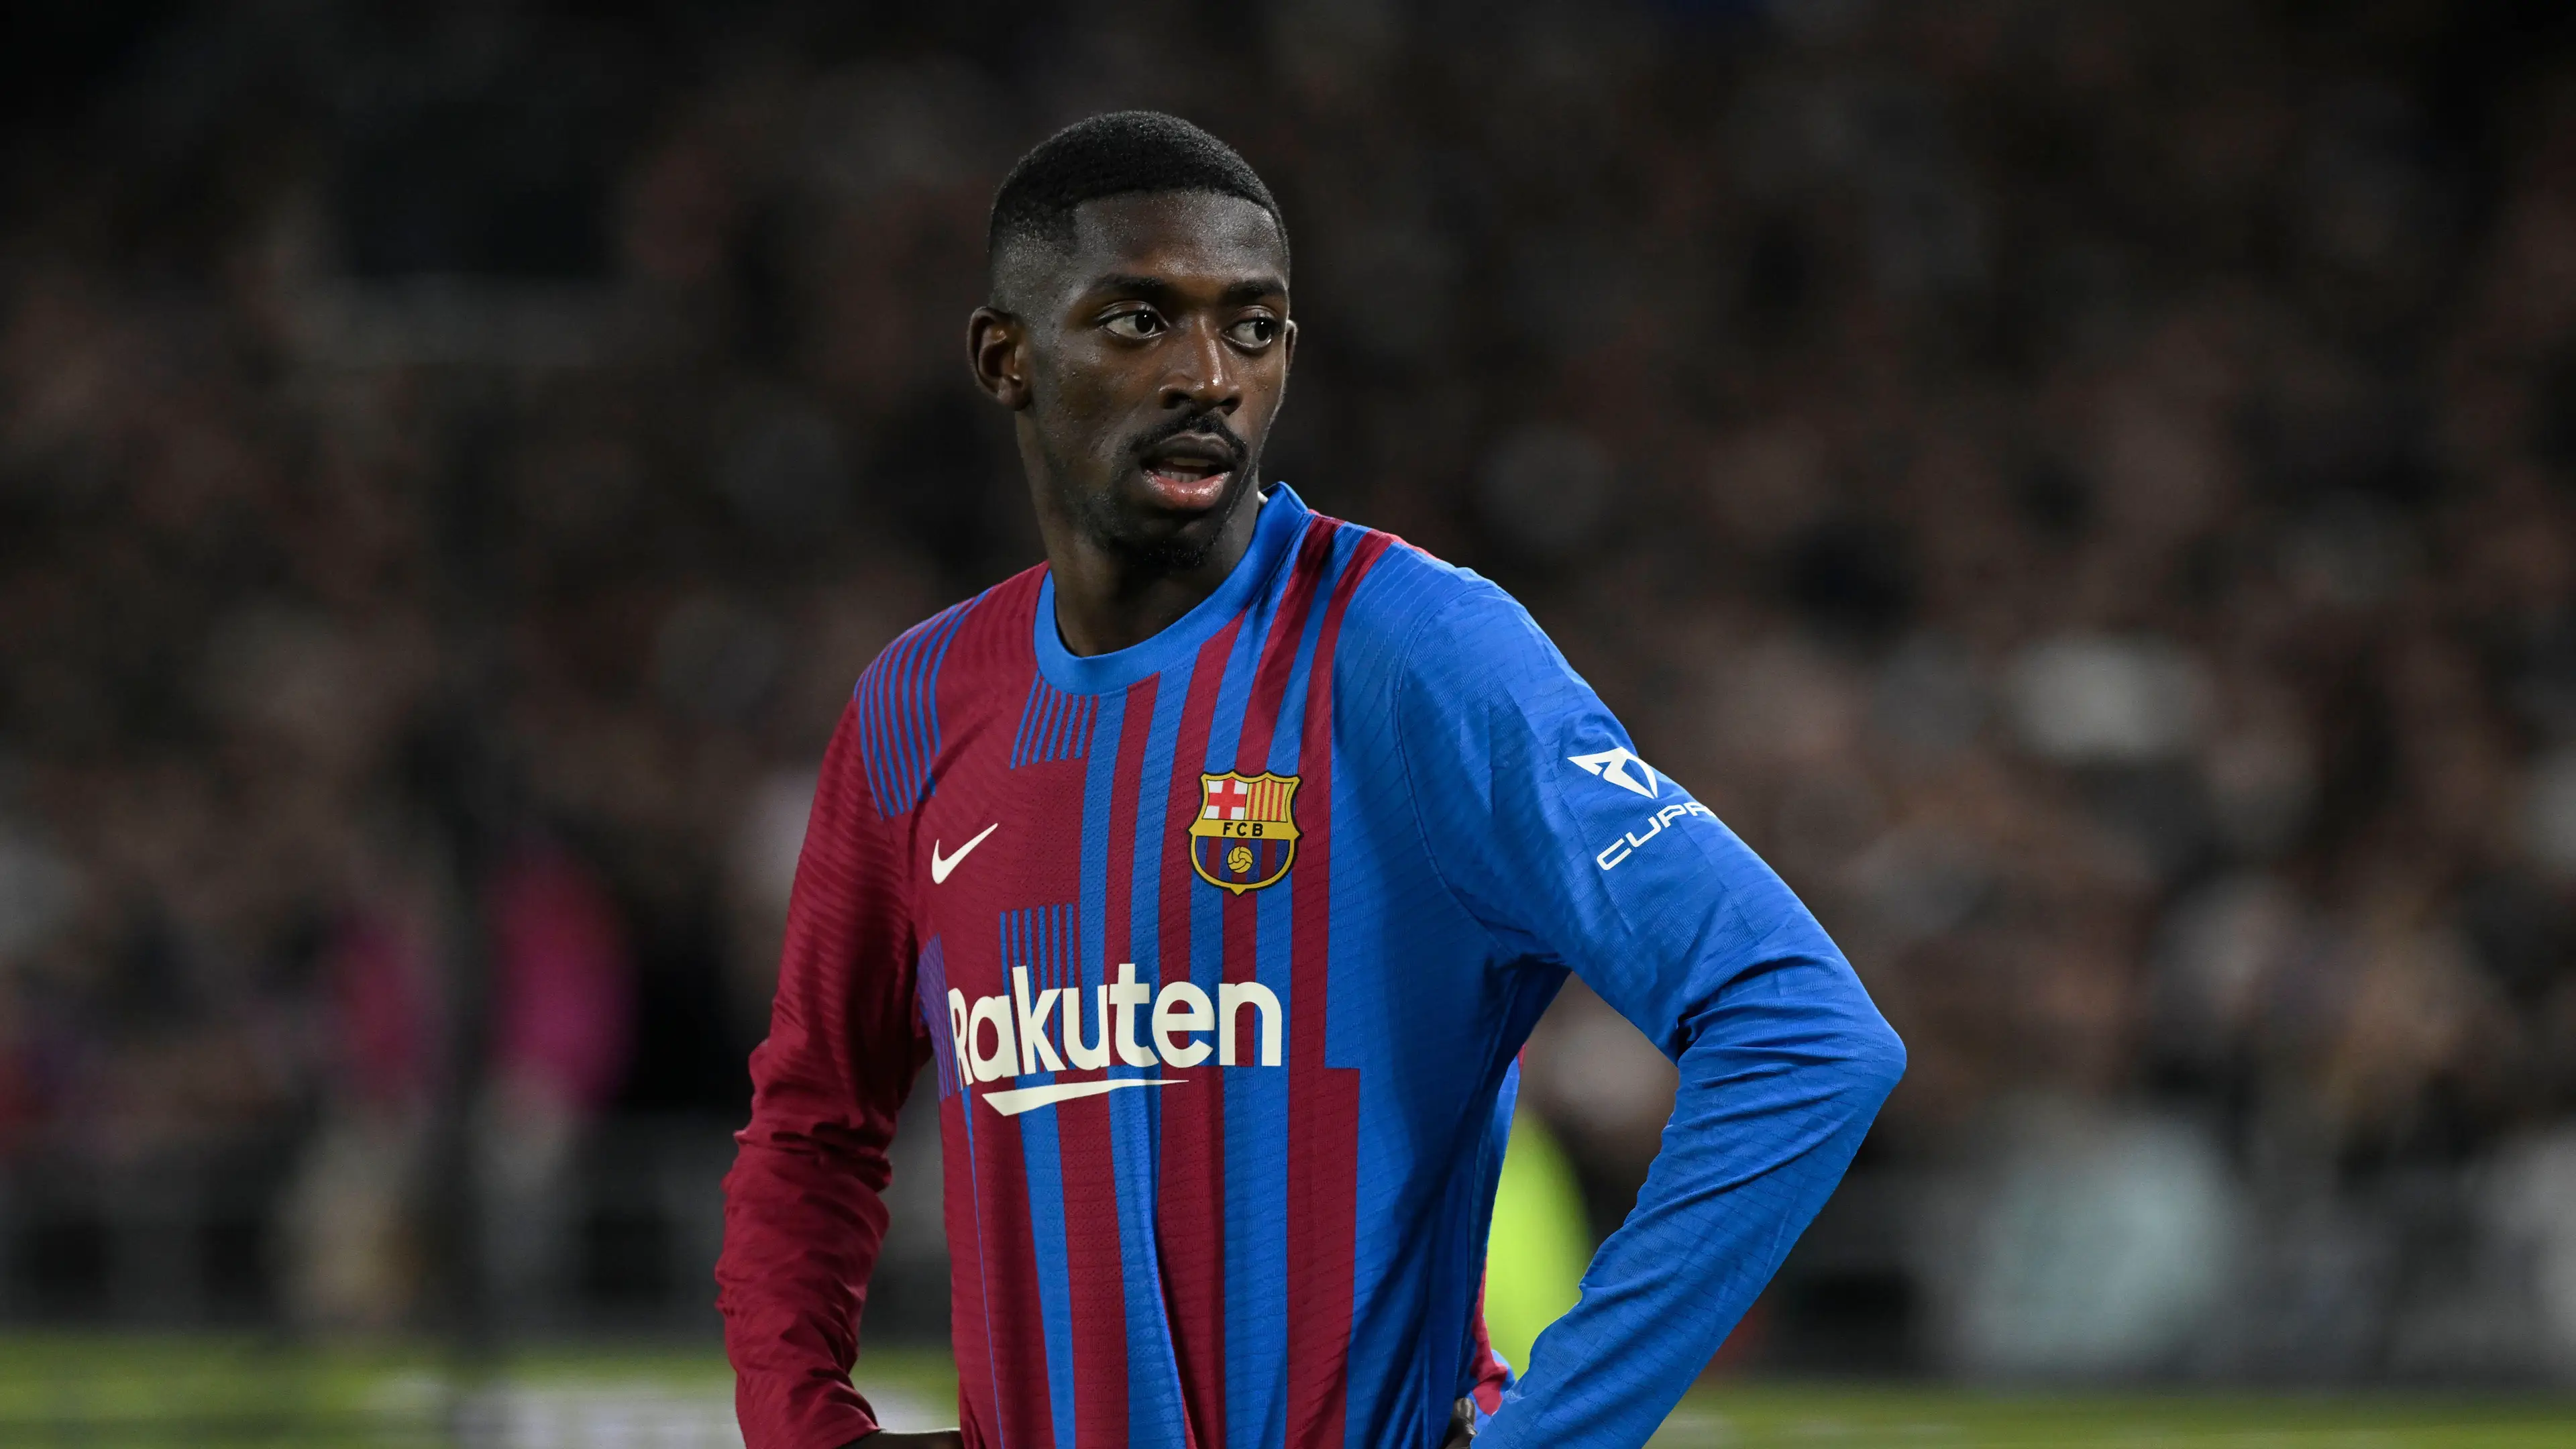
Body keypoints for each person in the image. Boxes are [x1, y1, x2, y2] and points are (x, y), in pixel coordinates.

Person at [715, 111, 1904, 1449]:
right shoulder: (915, 709)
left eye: (1254, 327)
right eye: (1138, 320)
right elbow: (811, 1126)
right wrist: (805, 1426)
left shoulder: (1411, 651)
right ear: (1006, 358)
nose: (1208, 374)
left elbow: (1804, 1031)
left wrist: (1551, 1438)